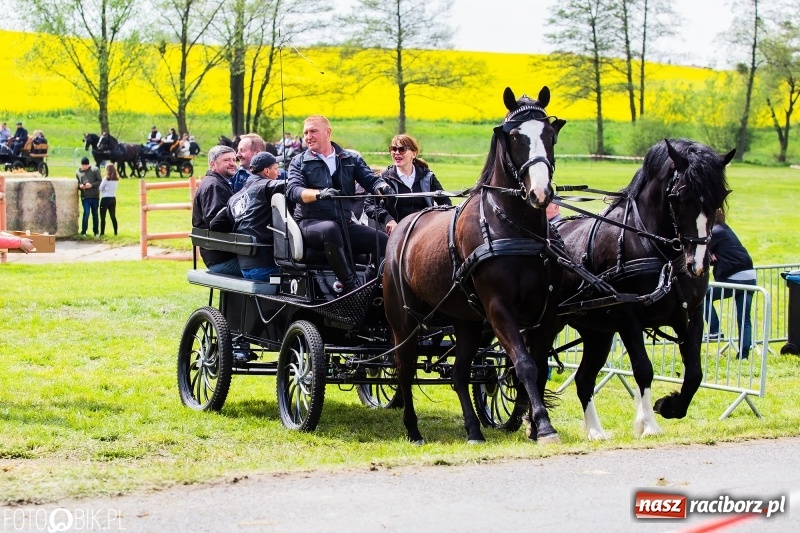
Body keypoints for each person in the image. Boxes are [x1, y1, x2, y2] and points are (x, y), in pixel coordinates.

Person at [286, 115, 392, 293]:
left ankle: (373, 282)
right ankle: (352, 288)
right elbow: (293, 191)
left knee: (383, 240)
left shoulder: (350, 158)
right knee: (330, 229)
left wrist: (382, 186)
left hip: (344, 223)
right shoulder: (299, 161)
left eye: (313, 131)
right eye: (305, 132)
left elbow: (370, 180)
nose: (308, 136)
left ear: (328, 132)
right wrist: (319, 194)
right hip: (311, 224)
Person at [210, 151, 285, 281]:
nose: (278, 174)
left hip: (245, 268)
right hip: (266, 268)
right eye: (276, 169)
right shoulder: (265, 186)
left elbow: (215, 224)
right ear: (266, 171)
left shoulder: (234, 198)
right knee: (307, 274)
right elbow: (290, 186)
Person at [364, 134, 451, 235]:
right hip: (396, 233)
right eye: (393, 149)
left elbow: (445, 202)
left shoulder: (427, 176)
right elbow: (369, 205)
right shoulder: (384, 178)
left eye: (402, 149)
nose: (396, 153)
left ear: (414, 154)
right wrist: (388, 219)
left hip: (424, 231)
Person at [704, 210, 757, 360]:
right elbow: (715, 257)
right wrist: (713, 257)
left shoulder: (714, 232)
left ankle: (714, 330)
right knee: (744, 318)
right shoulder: (725, 230)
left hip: (734, 279)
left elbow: (702, 254)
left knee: (702, 295)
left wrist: (711, 256)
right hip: (750, 278)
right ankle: (744, 355)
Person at [191, 145, 242, 276]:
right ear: (212, 164)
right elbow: (216, 223)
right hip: (222, 259)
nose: (232, 164)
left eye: (233, 160)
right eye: (226, 160)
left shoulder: (221, 183)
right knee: (269, 268)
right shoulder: (214, 186)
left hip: (222, 255)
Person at [76, 156, 102, 236]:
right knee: (86, 213)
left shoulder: (95, 170)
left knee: (95, 214)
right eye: (83, 165)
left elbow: (99, 181)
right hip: (85, 196)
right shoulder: (78, 172)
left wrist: (91, 185)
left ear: (88, 164)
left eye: (86, 165)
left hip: (94, 196)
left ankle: (96, 232)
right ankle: (84, 231)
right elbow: (77, 183)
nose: (84, 167)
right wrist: (80, 186)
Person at [99, 163, 119, 236]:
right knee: (113, 216)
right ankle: (115, 232)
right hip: (113, 197)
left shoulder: (106, 179)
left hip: (105, 198)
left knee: (103, 216)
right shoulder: (116, 179)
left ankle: (102, 232)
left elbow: (100, 188)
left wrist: (104, 190)